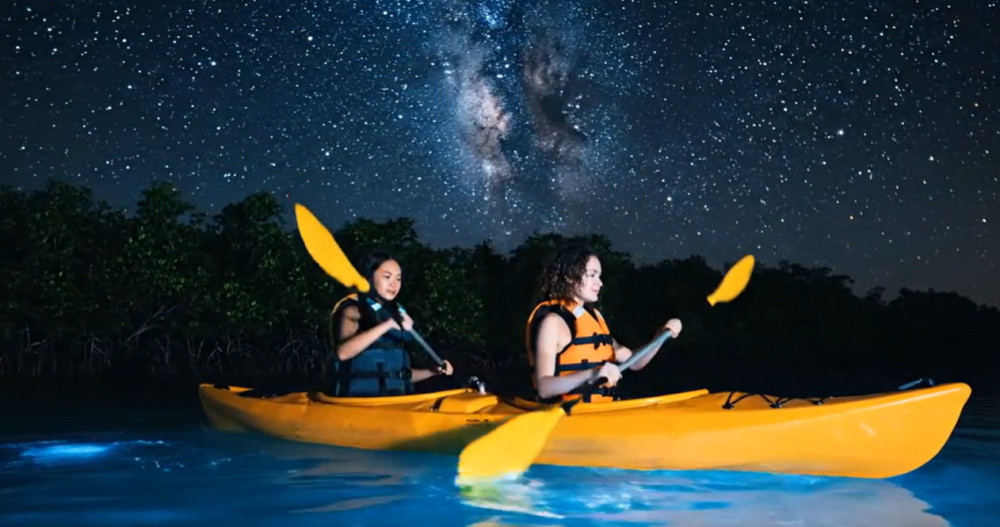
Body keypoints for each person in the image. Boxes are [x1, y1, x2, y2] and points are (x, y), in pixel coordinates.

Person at [525, 245, 682, 403]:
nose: (599, 283)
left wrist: (662, 335)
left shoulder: (593, 319)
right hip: (567, 417)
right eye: (592, 275)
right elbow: (544, 388)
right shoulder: (552, 322)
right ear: (569, 277)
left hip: (600, 412)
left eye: (599, 276)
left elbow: (634, 362)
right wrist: (592, 375)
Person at [328, 252, 454, 397]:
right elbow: (343, 353)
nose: (394, 284)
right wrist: (386, 325)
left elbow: (400, 375)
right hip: (358, 403)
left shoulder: (395, 312)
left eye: (398, 279)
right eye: (387, 277)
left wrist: (432, 371)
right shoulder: (353, 309)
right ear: (370, 277)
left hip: (394, 402)